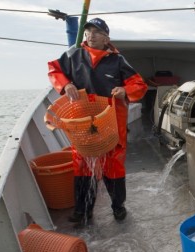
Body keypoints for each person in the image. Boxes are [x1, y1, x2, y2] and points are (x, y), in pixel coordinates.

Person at [48, 18, 147, 223]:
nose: (91, 35)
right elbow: (54, 70)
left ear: (106, 38)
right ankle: (83, 210)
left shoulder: (118, 60)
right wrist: (66, 85)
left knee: (113, 165)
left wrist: (124, 90)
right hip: (82, 122)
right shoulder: (73, 55)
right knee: (82, 164)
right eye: (88, 31)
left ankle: (118, 206)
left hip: (112, 123)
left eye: (96, 32)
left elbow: (139, 85)